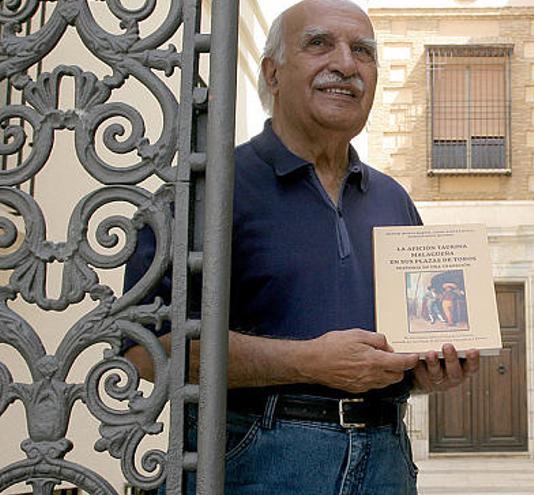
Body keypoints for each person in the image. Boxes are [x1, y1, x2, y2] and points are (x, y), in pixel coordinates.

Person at [123, 1, 479, 493]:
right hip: (257, 459)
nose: (346, 64)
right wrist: (307, 362)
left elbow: (408, 346)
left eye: (362, 51)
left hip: (386, 461)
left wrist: (430, 373)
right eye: (318, 44)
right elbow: (144, 352)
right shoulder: (208, 191)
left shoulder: (393, 200)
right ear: (271, 72)